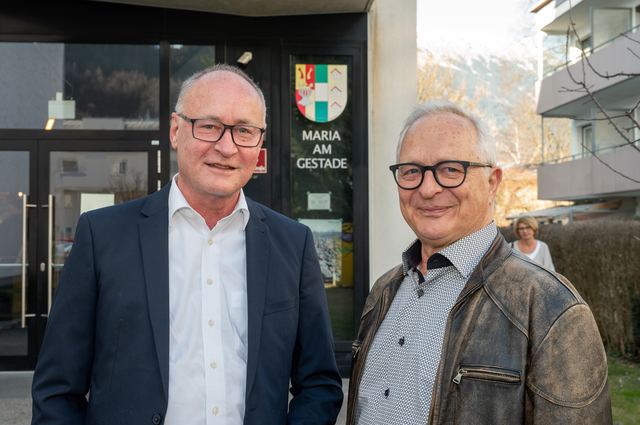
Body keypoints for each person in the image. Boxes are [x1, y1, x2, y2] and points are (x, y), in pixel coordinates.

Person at [32, 64, 343, 425]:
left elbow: (319, 384)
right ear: (175, 130)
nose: (226, 147)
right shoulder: (102, 236)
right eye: (209, 126)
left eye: (244, 131)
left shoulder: (293, 244)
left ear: (259, 143)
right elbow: (57, 391)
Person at [346, 101, 611, 424]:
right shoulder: (384, 290)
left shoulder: (549, 306)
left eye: (451, 170)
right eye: (412, 171)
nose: (427, 189)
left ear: (492, 182)